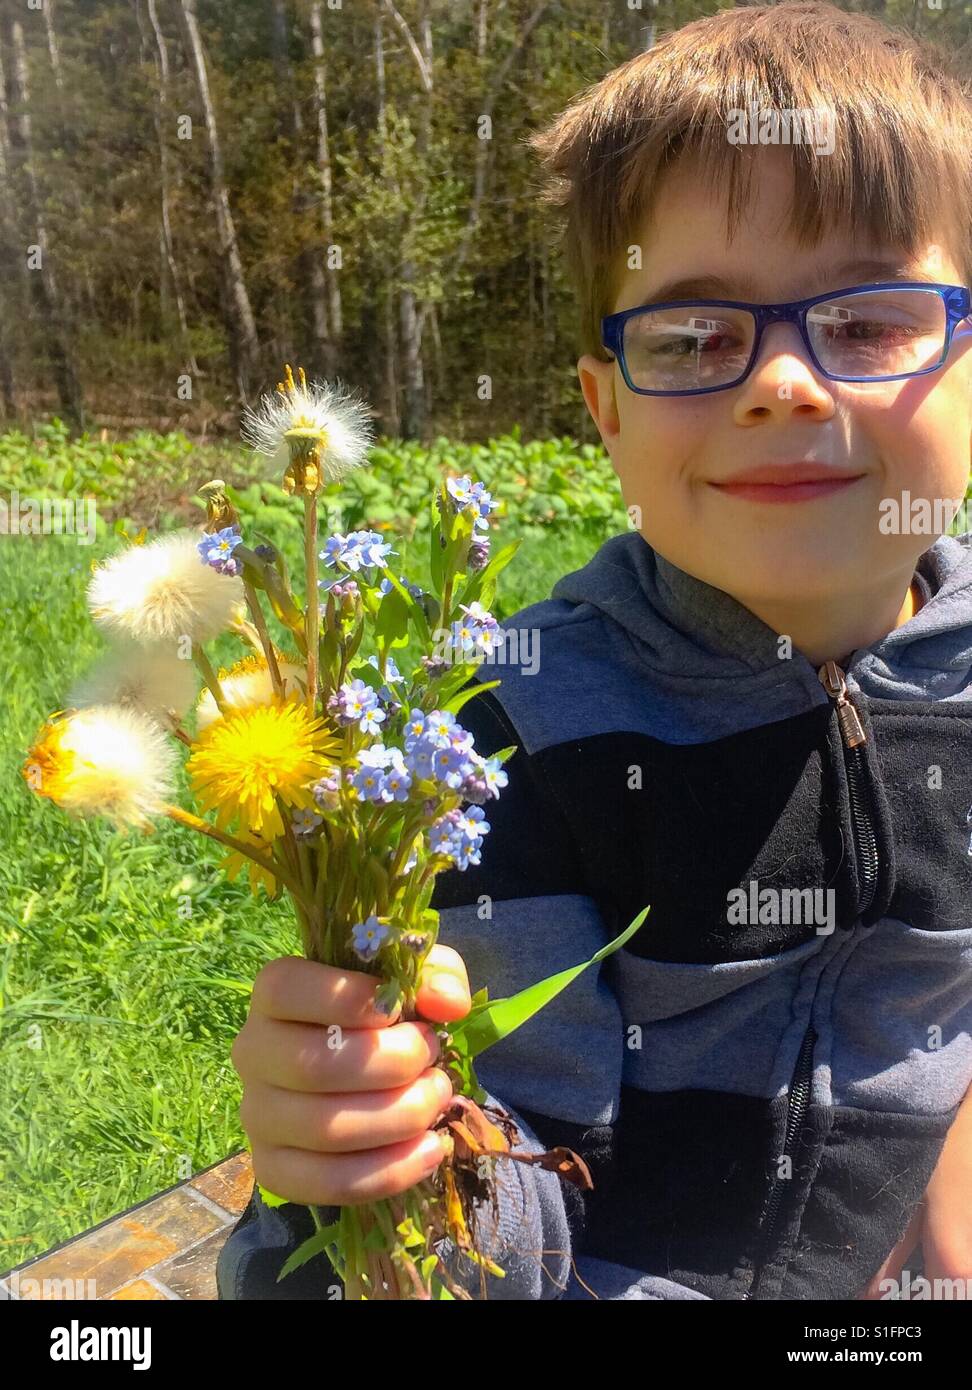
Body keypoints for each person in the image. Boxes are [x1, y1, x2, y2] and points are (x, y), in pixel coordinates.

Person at [217, 1, 972, 1300]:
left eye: (866, 319)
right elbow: (522, 1195)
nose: (783, 383)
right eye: (693, 335)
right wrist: (400, 1153)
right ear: (605, 413)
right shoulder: (525, 728)